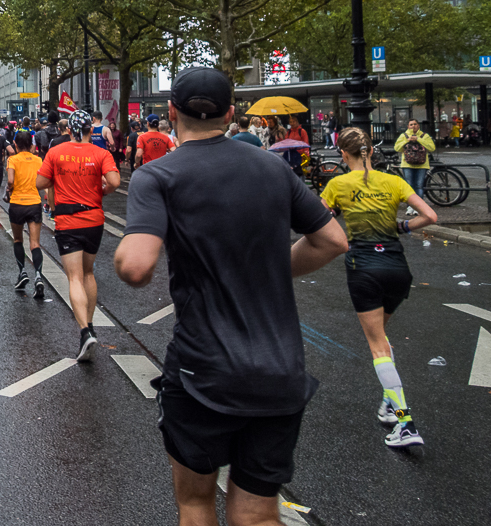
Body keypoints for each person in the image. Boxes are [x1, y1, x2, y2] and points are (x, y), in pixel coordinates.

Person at [115, 67, 349, 523]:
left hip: (204, 371)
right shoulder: (272, 168)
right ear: (231, 113)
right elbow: (332, 241)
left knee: (197, 503)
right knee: (259, 514)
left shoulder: (158, 176)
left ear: (170, 112)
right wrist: (272, 270)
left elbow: (137, 266)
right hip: (280, 370)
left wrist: (124, 254)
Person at [322, 126, 436, 448]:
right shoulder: (395, 182)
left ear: (344, 155)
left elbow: (318, 220)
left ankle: (406, 422)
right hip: (398, 269)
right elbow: (430, 216)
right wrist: (402, 226)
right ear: (370, 151)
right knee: (382, 339)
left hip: (364, 267)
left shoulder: (337, 185)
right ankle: (389, 403)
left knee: (377, 347)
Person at [35, 109, 120, 361]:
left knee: (73, 278)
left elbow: (40, 183)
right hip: (94, 219)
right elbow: (114, 182)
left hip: (68, 220)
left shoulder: (56, 152)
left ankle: (85, 331)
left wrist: (57, 181)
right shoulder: (101, 153)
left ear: (70, 130)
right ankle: (91, 323)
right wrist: (100, 192)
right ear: (90, 131)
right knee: (88, 273)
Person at [5, 130, 46, 297]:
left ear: (15, 144)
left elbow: (10, 180)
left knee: (17, 239)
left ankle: (22, 272)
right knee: (35, 243)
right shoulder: (38, 160)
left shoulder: (12, 159)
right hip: (34, 203)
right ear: (31, 145)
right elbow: (43, 181)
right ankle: (38, 276)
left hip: (17, 204)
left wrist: (10, 189)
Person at [393, 119, 436, 204]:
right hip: (407, 165)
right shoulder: (403, 136)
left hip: (422, 165)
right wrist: (407, 140)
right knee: (409, 186)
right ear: (408, 126)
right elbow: (397, 148)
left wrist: (418, 139)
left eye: (415, 124)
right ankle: (411, 206)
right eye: (411, 124)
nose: (413, 126)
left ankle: (419, 207)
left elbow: (432, 148)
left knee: (419, 186)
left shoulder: (425, 136)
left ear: (418, 125)